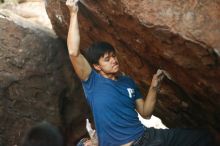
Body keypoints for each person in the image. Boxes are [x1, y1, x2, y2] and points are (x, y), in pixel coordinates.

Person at [66, 0, 214, 145]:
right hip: (133, 143)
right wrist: (73, 13)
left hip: (148, 136)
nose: (113, 60)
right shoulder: (92, 81)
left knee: (204, 138)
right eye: (107, 59)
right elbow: (73, 52)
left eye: (114, 56)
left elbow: (145, 112)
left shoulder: (127, 82)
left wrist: (154, 87)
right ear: (97, 66)